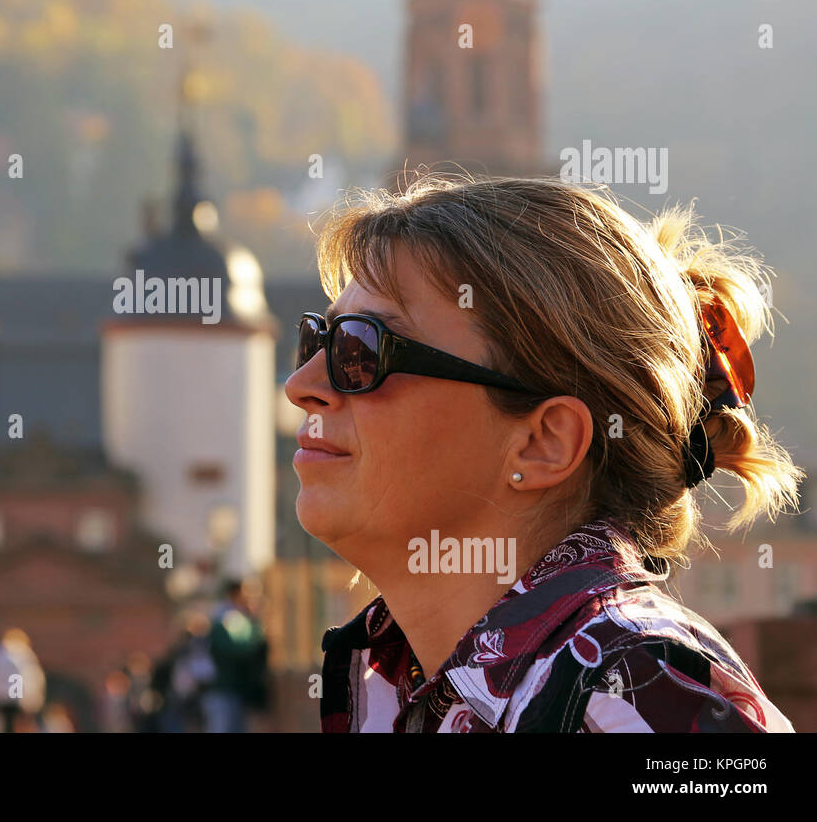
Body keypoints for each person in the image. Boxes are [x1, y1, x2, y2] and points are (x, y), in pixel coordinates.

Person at [286, 174, 804, 733]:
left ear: (543, 443)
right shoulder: (392, 683)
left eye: (359, 349)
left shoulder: (633, 696)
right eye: (317, 339)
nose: (301, 383)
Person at [203, 580, 268, 732]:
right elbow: (238, 649)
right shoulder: (225, 618)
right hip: (224, 688)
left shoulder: (240, 618)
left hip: (238, 690)